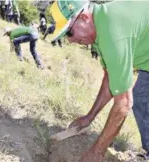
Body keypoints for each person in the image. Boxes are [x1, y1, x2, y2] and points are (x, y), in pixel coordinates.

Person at [50, 0, 149, 161]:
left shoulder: (112, 34)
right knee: (142, 97)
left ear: (84, 18)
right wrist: (89, 117)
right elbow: (111, 77)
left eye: (69, 32)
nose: (70, 40)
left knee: (140, 98)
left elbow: (123, 104)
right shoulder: (101, 24)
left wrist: (97, 152)